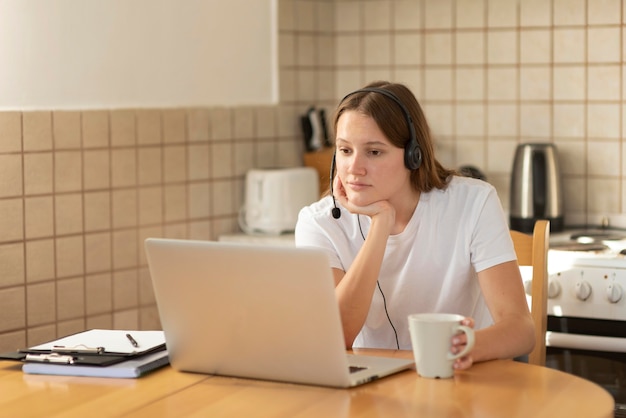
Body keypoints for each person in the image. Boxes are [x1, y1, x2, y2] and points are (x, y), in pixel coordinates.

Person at [295, 81, 535, 371]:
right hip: (371, 394)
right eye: (345, 151)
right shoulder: (318, 223)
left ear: (413, 155)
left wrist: (466, 345)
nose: (354, 168)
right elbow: (335, 337)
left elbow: (521, 330)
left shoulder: (474, 202)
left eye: (374, 152)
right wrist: (380, 226)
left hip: (460, 383)